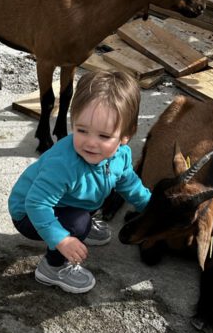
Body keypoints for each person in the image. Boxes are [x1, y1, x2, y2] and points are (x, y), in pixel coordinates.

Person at [9, 70, 152, 294]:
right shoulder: (64, 164)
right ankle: (52, 267)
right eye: (82, 130)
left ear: (126, 135)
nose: (91, 143)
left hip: (68, 201)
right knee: (77, 224)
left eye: (104, 136)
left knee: (94, 193)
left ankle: (78, 225)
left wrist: (151, 207)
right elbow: (36, 204)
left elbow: (129, 183)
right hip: (28, 212)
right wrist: (62, 240)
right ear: (73, 122)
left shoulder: (121, 155)